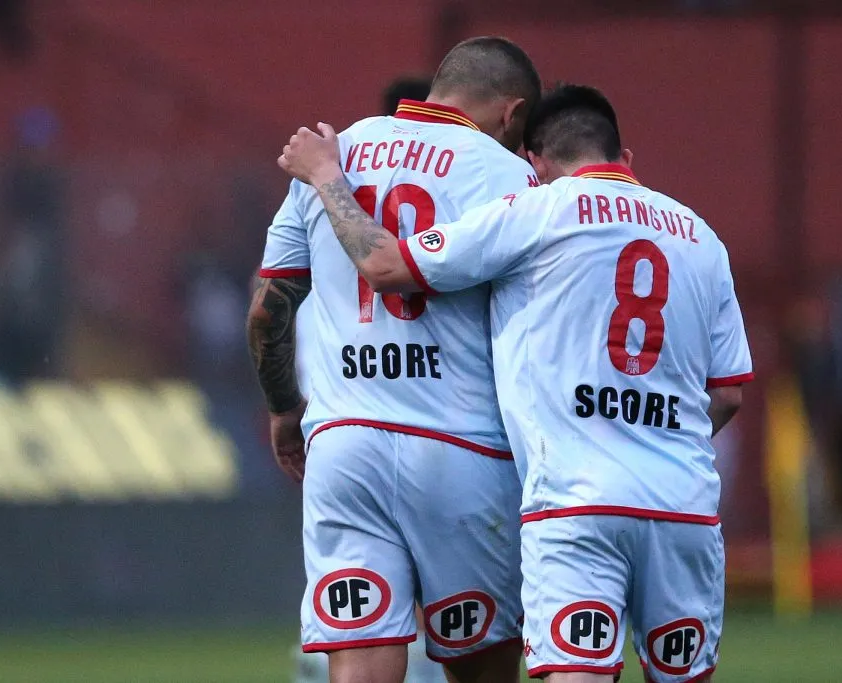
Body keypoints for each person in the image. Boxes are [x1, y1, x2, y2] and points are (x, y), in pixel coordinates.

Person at [279, 84, 753, 683]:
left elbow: (385, 266)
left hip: (574, 503)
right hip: (684, 505)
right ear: (624, 158)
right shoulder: (701, 237)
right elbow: (729, 392)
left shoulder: (537, 210)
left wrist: (327, 177)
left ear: (537, 164)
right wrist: (656, 436)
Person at [247, 36, 541, 683]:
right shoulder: (510, 176)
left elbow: (268, 309)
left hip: (344, 445)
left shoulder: (335, 151)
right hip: (463, 449)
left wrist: (282, 409)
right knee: (482, 670)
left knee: (358, 663)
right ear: (513, 114)